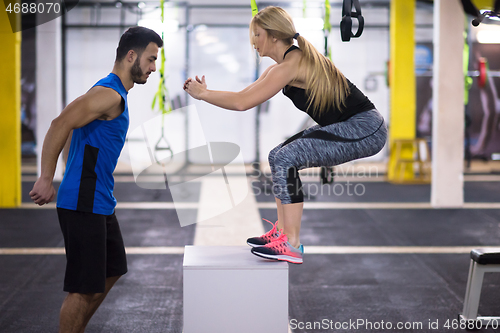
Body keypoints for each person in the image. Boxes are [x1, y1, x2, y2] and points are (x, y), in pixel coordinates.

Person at [184, 6, 387, 264]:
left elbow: (242, 103)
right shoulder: (282, 66)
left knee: (286, 158)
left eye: (257, 35)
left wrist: (203, 95)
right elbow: (242, 96)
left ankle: (291, 244)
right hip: (353, 125)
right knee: (277, 155)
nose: (253, 42)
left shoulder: (291, 65)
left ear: (274, 35)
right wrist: (207, 92)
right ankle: (282, 233)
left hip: (366, 128)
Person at [29, 26, 163, 332]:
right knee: (83, 287)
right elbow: (59, 123)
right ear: (132, 56)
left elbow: (71, 128)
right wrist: (47, 178)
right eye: (151, 59)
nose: (153, 67)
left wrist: (70, 165)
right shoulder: (109, 94)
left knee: (113, 268)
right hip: (84, 202)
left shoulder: (108, 91)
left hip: (99, 199)